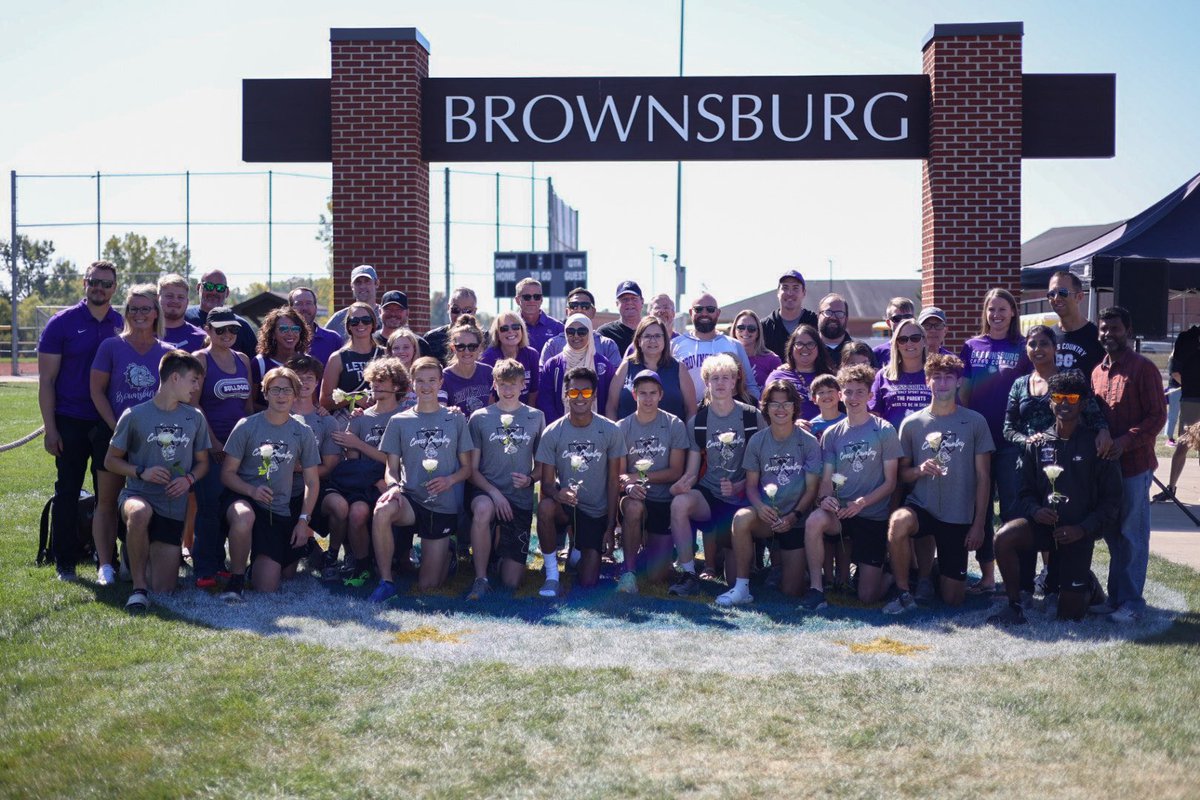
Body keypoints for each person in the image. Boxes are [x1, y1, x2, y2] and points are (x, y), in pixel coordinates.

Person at [989, 370, 1122, 625]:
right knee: (1004, 536)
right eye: (1058, 397)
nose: (1064, 403)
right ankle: (1014, 605)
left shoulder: (1096, 446)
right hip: (1044, 527)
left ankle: (1089, 586)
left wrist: (1082, 529)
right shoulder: (1037, 444)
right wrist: (1035, 511)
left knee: (1068, 616)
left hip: (1077, 532)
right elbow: (1024, 491)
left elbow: (1112, 501)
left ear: (1082, 403)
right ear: (1050, 402)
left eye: (1071, 398)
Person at [1004, 324, 1111, 596]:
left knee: (1059, 525)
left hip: (1067, 465)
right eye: (1032, 344)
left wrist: (1103, 432)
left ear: (1054, 348)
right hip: (1029, 467)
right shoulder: (1019, 384)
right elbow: (1008, 427)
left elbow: (1093, 412)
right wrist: (1025, 441)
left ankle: (1061, 582)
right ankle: (1025, 588)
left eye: (1044, 343)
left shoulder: (1069, 379)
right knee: (1029, 523)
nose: (1037, 349)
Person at [883, 354, 995, 614]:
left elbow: (984, 477)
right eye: (937, 378)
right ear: (927, 382)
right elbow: (902, 475)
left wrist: (978, 524)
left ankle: (931, 572)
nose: (942, 383)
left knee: (953, 598)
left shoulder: (975, 422)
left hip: (957, 515)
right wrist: (919, 470)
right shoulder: (912, 424)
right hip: (922, 505)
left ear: (958, 383)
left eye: (948, 378)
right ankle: (903, 591)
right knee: (899, 522)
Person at [104, 350, 211, 611]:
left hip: (173, 506)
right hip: (138, 495)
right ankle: (138, 590)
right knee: (140, 512)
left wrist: (188, 479)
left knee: (163, 588)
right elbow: (110, 461)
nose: (197, 387)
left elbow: (203, 464)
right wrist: (142, 471)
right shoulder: (135, 415)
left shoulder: (194, 417)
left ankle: (133, 555)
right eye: (193, 380)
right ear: (175, 378)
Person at [38, 260, 122, 582]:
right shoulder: (62, 323)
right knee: (68, 492)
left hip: (108, 422)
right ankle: (65, 561)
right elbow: (47, 381)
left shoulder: (122, 323)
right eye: (94, 281)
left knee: (109, 494)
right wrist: (51, 428)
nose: (99, 287)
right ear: (84, 284)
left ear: (115, 288)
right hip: (70, 419)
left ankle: (108, 559)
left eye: (106, 283)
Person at [369, 357, 475, 600]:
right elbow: (391, 467)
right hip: (411, 500)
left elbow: (467, 469)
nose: (426, 387)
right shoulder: (399, 421)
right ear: (412, 385)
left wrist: (449, 481)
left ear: (440, 382)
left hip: (442, 504)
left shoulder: (455, 419)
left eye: (431, 381)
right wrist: (394, 486)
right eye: (420, 381)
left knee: (428, 586)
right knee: (382, 510)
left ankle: (447, 551)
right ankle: (386, 581)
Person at [90, 285, 173, 588]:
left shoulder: (167, 352)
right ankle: (105, 565)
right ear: (126, 313)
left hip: (156, 441)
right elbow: (97, 391)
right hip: (114, 435)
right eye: (133, 309)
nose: (139, 314)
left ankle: (140, 558)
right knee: (107, 501)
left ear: (156, 313)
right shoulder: (110, 346)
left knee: (149, 502)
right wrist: (116, 427)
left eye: (145, 308)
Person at [801, 364, 900, 610]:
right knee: (815, 520)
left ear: (870, 395)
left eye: (859, 392)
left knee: (867, 597)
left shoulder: (884, 430)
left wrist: (862, 503)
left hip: (871, 514)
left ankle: (888, 573)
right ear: (840, 395)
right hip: (841, 513)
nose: (853, 398)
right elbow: (826, 479)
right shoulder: (832, 433)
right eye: (848, 392)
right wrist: (824, 500)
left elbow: (891, 482)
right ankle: (816, 589)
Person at [715, 380, 821, 606]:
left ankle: (790, 567)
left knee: (792, 590)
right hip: (767, 518)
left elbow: (812, 489)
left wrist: (794, 516)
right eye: (774, 404)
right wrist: (761, 507)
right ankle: (742, 587)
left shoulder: (809, 442)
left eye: (786, 404)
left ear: (795, 407)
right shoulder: (757, 440)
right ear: (765, 407)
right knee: (742, 517)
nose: (780, 409)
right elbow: (751, 485)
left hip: (795, 520)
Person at [219, 367, 321, 600]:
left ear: (296, 395)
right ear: (265, 393)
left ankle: (255, 562)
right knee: (244, 516)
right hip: (244, 498)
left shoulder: (302, 432)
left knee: (270, 584)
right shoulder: (246, 425)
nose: (281, 395)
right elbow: (227, 474)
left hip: (278, 509)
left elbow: (312, 482)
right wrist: (251, 490)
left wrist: (303, 521)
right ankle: (235, 580)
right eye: (275, 389)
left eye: (287, 390)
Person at [1091, 306, 1166, 623]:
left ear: (1128, 330)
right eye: (1104, 328)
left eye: (1115, 328)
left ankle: (1133, 602)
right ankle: (1116, 598)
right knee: (1112, 534)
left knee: (1132, 534)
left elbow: (1157, 417)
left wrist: (1124, 442)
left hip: (1135, 466)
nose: (1109, 333)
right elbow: (1094, 416)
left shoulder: (1143, 368)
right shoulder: (1097, 372)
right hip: (1107, 471)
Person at [667, 354, 764, 596]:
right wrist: (679, 486)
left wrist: (743, 484)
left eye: (726, 378)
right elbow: (692, 471)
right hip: (710, 494)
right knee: (680, 503)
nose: (720, 383)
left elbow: (765, 465)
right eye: (714, 378)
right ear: (706, 383)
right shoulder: (698, 421)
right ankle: (688, 573)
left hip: (742, 499)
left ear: (734, 382)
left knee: (733, 580)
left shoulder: (752, 416)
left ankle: (748, 566)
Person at [958, 287, 1029, 594]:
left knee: (1014, 509)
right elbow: (963, 392)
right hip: (978, 440)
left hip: (1012, 440)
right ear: (984, 313)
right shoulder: (971, 346)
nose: (997, 315)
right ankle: (987, 578)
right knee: (981, 511)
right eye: (991, 309)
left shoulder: (1024, 347)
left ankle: (1018, 578)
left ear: (1013, 312)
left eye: (1003, 309)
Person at [534, 366, 624, 595]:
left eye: (586, 393)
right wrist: (557, 493)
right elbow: (545, 484)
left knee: (588, 581)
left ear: (594, 395)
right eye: (574, 393)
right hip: (567, 506)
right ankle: (552, 574)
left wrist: (611, 526)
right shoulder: (553, 432)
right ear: (566, 395)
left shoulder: (610, 430)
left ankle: (577, 549)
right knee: (545, 506)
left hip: (596, 511)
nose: (580, 398)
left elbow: (614, 482)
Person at [323, 357, 409, 581]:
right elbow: (353, 463)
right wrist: (374, 476)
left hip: (396, 484)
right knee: (357, 512)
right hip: (366, 485)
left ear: (397, 386)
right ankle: (360, 564)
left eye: (382, 381)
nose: (376, 385)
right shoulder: (359, 419)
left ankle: (397, 559)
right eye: (373, 381)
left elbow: (399, 461)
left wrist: (361, 445)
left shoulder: (405, 417)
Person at [466, 358, 546, 597]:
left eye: (513, 384)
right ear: (494, 384)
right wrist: (493, 493)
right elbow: (471, 470)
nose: (508, 390)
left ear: (523, 384)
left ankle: (496, 553)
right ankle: (480, 578)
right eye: (502, 384)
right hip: (486, 493)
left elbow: (542, 466)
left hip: (518, 500)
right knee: (482, 509)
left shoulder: (536, 416)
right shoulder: (480, 417)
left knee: (511, 582)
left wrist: (530, 480)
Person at [191, 307, 254, 589]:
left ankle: (225, 564)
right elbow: (193, 404)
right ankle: (205, 566)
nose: (227, 334)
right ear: (208, 329)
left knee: (231, 505)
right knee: (209, 506)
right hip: (211, 446)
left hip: (239, 448)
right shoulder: (200, 360)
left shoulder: (242, 359)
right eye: (220, 330)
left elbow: (248, 406)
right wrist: (214, 442)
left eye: (233, 330)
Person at [615, 370, 688, 592]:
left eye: (652, 393)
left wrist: (639, 477)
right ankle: (628, 573)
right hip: (633, 498)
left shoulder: (674, 424)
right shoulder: (622, 427)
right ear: (634, 395)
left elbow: (676, 471)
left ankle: (650, 548)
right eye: (642, 393)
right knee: (634, 507)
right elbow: (619, 475)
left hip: (662, 500)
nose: (648, 398)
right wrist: (630, 486)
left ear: (661, 395)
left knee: (657, 577)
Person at [285, 356, 343, 568]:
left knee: (339, 505)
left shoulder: (327, 421)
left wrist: (297, 468)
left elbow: (329, 466)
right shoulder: (277, 415)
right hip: (282, 491)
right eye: (298, 378)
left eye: (309, 377)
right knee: (286, 570)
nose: (304, 382)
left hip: (314, 488)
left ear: (317, 381)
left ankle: (332, 555)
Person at [671, 292, 761, 401]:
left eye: (710, 309)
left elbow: (750, 386)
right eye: (698, 309)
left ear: (718, 313)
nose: (704, 313)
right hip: (685, 415)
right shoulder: (674, 344)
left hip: (726, 414)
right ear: (691, 312)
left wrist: (753, 411)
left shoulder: (734, 345)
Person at [608, 316, 696, 421]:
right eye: (647, 336)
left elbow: (691, 409)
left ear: (665, 340)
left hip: (671, 436)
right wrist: (614, 434)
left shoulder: (679, 368)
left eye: (658, 336)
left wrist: (686, 435)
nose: (652, 340)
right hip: (629, 436)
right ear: (639, 340)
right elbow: (611, 407)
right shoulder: (626, 365)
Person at [538, 313, 614, 423]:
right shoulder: (553, 365)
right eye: (570, 331)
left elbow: (609, 400)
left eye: (582, 331)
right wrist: (560, 428)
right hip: (561, 430)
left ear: (590, 333)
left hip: (596, 429)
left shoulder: (603, 365)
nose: (576, 335)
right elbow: (546, 402)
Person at [1155, 321, 1200, 502]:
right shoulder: (1186, 338)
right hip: (1191, 400)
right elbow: (1175, 372)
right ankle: (1171, 488)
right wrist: (1191, 386)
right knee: (1183, 445)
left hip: (1191, 397)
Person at [320, 301, 385, 418]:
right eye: (355, 321)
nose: (361, 324)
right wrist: (354, 397)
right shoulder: (337, 358)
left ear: (373, 323)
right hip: (348, 421)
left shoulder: (385, 354)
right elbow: (325, 401)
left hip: (380, 419)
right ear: (349, 326)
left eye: (366, 320)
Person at [869, 318, 931, 429]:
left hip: (929, 441)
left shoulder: (935, 374)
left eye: (915, 338)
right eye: (903, 339)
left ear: (925, 341)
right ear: (896, 344)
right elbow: (874, 415)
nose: (909, 343)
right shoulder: (883, 376)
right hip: (892, 443)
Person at [184, 269, 257, 358]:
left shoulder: (241, 326)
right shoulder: (184, 319)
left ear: (227, 293)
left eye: (220, 288)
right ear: (199, 288)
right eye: (209, 286)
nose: (214, 292)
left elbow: (254, 365)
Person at [539, 288, 622, 365]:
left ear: (593, 312)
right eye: (573, 306)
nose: (579, 310)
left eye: (585, 306)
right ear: (567, 312)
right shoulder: (553, 345)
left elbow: (616, 379)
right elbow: (543, 377)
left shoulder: (607, 345)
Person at [765, 324, 832, 419]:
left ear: (818, 348)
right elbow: (765, 410)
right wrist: (792, 424)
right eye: (799, 344)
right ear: (791, 348)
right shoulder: (777, 377)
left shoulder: (829, 377)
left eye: (810, 344)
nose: (804, 348)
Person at [1047, 270, 1103, 380]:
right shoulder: (1048, 336)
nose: (1056, 298)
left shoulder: (1097, 336)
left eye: (1063, 292)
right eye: (1051, 294)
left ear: (1079, 297)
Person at [250, 307, 311, 408]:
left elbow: (312, 401)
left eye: (295, 329)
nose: (290, 333)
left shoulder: (307, 362)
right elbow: (251, 403)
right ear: (272, 333)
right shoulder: (260, 363)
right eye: (283, 329)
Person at [479, 311, 540, 407]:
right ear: (497, 333)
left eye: (515, 327)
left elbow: (533, 391)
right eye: (504, 328)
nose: (510, 331)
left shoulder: (532, 355)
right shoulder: (488, 358)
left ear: (522, 330)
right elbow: (488, 397)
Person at [760, 270, 820, 361]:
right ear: (778, 293)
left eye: (795, 288)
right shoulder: (764, 326)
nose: (790, 293)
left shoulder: (815, 322)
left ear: (804, 293)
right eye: (785, 287)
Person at [440, 315, 494, 416]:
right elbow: (441, 410)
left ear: (480, 348)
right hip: (458, 430)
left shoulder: (488, 373)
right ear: (453, 348)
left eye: (472, 346)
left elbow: (495, 408)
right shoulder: (444, 377)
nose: (466, 351)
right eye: (460, 346)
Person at [289, 286, 344, 365]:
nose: (304, 308)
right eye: (299, 304)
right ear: (290, 309)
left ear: (315, 307)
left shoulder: (333, 339)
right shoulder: (285, 340)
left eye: (309, 303)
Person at [425, 286, 479, 365]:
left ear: (474, 311)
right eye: (455, 309)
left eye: (467, 311)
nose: (460, 315)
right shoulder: (431, 338)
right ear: (448, 308)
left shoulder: (486, 339)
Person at [373, 290, 433, 358]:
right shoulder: (371, 341)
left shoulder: (419, 344)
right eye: (388, 309)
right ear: (380, 311)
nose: (393, 314)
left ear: (407, 312)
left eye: (398, 310)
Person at [325, 264, 380, 339]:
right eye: (358, 282)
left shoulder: (385, 316)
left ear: (376, 283)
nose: (362, 286)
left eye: (367, 281)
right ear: (352, 286)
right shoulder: (339, 319)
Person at [732, 309, 782, 390]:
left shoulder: (772, 360)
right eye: (741, 327)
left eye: (751, 328)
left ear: (758, 332)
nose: (745, 332)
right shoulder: (727, 358)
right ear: (734, 331)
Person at [514, 277, 563, 356]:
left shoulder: (558, 327)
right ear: (517, 300)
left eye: (537, 296)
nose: (532, 300)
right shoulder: (508, 327)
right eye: (527, 297)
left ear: (541, 300)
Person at [157, 273, 206, 352]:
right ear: (158, 298)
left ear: (187, 302)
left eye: (180, 297)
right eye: (169, 296)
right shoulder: (145, 333)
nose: (175, 301)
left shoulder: (201, 338)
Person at [596, 280, 644, 356]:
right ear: (617, 304)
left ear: (642, 301)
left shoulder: (650, 330)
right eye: (625, 299)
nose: (629, 302)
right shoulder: (605, 333)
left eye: (634, 298)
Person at [871, 296, 915, 366]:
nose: (903, 322)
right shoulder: (876, 354)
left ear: (914, 320)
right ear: (888, 323)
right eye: (897, 318)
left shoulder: (920, 350)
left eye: (907, 317)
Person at [385, 327, 422, 412]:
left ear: (414, 349)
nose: (401, 351)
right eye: (396, 348)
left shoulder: (422, 374)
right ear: (390, 351)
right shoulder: (385, 376)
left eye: (406, 347)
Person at [816, 293, 856, 368]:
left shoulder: (860, 351)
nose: (833, 317)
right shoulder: (807, 350)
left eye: (839, 313)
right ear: (818, 316)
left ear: (846, 318)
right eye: (828, 312)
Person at [808, 373, 846, 438]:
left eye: (830, 391)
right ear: (814, 399)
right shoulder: (811, 426)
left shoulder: (848, 421)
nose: (826, 395)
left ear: (840, 395)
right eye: (821, 392)